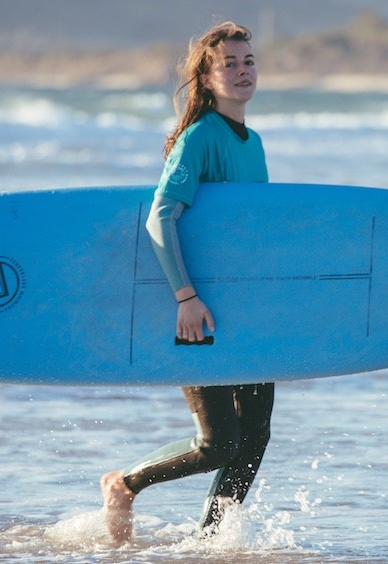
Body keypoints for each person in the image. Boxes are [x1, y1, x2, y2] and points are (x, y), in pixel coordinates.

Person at [100, 21, 274, 544]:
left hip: (242, 311)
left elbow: (247, 232)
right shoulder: (201, 139)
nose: (242, 72)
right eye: (229, 64)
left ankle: (208, 542)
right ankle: (124, 483)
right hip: (199, 310)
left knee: (254, 439)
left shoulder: (253, 140)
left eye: (248, 62)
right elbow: (160, 216)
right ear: (207, 76)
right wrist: (186, 297)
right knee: (220, 443)